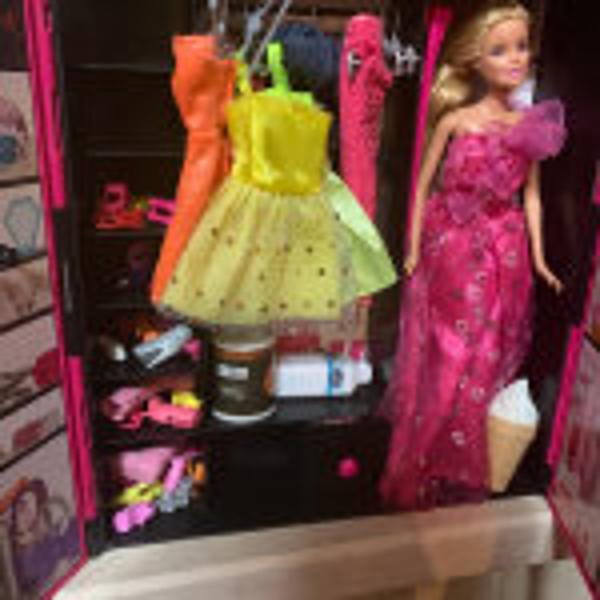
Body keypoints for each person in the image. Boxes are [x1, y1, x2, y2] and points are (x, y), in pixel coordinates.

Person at [380, 4, 566, 510]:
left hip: (504, 252)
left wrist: (540, 258)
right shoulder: (456, 120)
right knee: (447, 351)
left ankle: (458, 462)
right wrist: (413, 248)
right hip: (453, 248)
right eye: (500, 50)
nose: (516, 59)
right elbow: (422, 187)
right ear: (474, 60)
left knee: (484, 356)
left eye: (522, 47)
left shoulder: (529, 126)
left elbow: (531, 195)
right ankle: (424, 455)